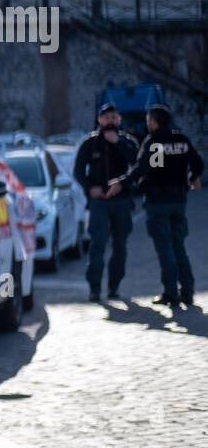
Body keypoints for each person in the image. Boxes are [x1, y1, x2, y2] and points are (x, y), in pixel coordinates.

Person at [117, 105, 203, 307]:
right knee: (179, 247)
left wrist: (123, 181)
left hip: (157, 202)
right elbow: (198, 163)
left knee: (165, 249)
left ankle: (171, 293)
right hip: (178, 201)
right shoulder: (181, 139)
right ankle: (188, 292)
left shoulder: (154, 142)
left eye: (149, 120)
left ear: (155, 121)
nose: (147, 124)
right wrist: (192, 177)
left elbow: (146, 168)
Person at [73, 103, 141, 301]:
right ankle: (95, 288)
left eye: (113, 117)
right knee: (98, 244)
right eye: (106, 118)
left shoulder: (128, 142)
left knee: (120, 245)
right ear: (99, 120)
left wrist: (118, 142)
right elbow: (78, 171)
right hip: (99, 202)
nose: (110, 121)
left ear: (119, 119)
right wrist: (89, 188)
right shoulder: (90, 143)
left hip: (122, 201)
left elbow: (138, 165)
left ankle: (114, 287)